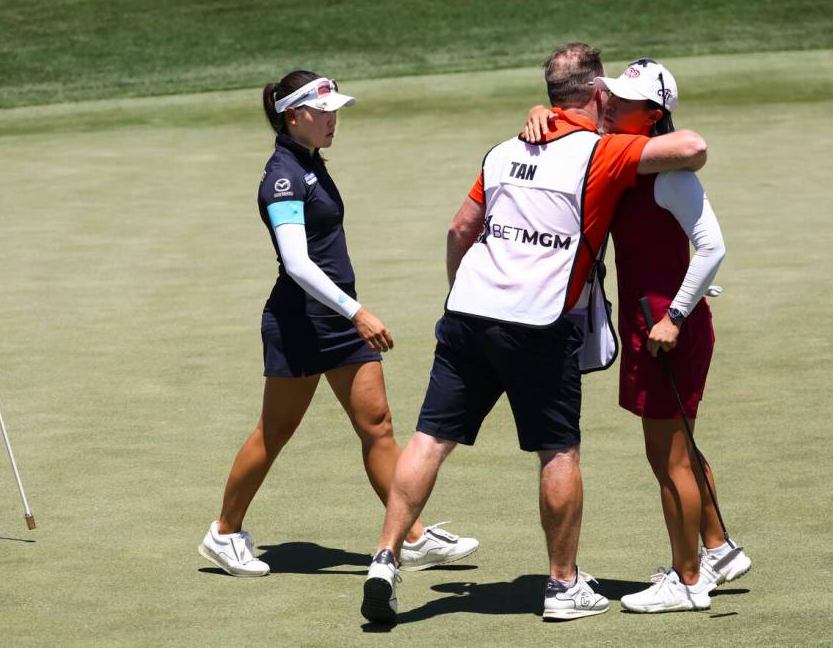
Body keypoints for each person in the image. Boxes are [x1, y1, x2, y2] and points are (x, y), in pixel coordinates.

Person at [359, 44, 710, 625]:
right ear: (598, 95)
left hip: (469, 312)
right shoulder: (600, 153)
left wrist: (464, 292)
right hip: (540, 325)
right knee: (557, 449)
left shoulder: (502, 150)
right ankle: (563, 585)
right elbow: (692, 147)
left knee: (429, 439)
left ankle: (385, 556)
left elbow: (460, 229)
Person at [198, 71, 477, 577]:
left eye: (335, 111)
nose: (333, 120)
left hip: (336, 319)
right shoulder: (282, 176)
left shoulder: (309, 163)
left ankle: (410, 538)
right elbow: (298, 264)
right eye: (322, 112)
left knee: (378, 427)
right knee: (275, 432)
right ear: (292, 116)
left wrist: (349, 312)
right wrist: (357, 311)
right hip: (302, 323)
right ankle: (223, 533)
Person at [525, 59, 752, 613]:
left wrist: (675, 315)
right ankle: (717, 550)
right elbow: (573, 130)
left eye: (623, 102)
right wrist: (541, 112)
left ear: (651, 116)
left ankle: (689, 580)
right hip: (652, 322)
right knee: (679, 448)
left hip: (665, 328)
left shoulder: (672, 175)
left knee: (668, 456)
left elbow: (713, 247)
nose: (609, 105)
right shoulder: (627, 159)